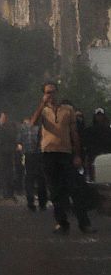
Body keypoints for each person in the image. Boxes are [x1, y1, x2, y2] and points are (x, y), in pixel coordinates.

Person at [31, 81, 94, 234]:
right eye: (47, 92)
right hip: (48, 154)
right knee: (55, 190)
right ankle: (62, 222)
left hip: (65, 153)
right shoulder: (44, 111)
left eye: (53, 92)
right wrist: (42, 104)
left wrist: (77, 154)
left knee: (75, 188)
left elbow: (74, 133)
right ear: (44, 94)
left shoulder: (68, 110)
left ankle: (84, 223)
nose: (51, 95)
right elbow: (32, 123)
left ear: (57, 92)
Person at [16, 117, 47, 211]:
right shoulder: (40, 128)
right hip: (39, 155)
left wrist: (22, 151)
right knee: (41, 179)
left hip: (28, 156)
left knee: (29, 179)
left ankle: (30, 202)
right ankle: (42, 203)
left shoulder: (23, 129)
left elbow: (18, 142)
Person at [0, 112, 17, 201]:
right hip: (2, 156)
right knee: (0, 176)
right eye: (3, 118)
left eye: (6, 118)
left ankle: (8, 194)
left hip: (7, 155)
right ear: (0, 119)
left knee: (8, 175)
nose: (5, 119)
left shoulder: (9, 129)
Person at [83, 108, 111, 179]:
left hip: (108, 157)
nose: (99, 117)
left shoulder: (109, 130)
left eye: (101, 115)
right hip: (94, 157)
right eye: (98, 115)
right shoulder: (89, 131)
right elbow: (87, 145)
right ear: (94, 117)